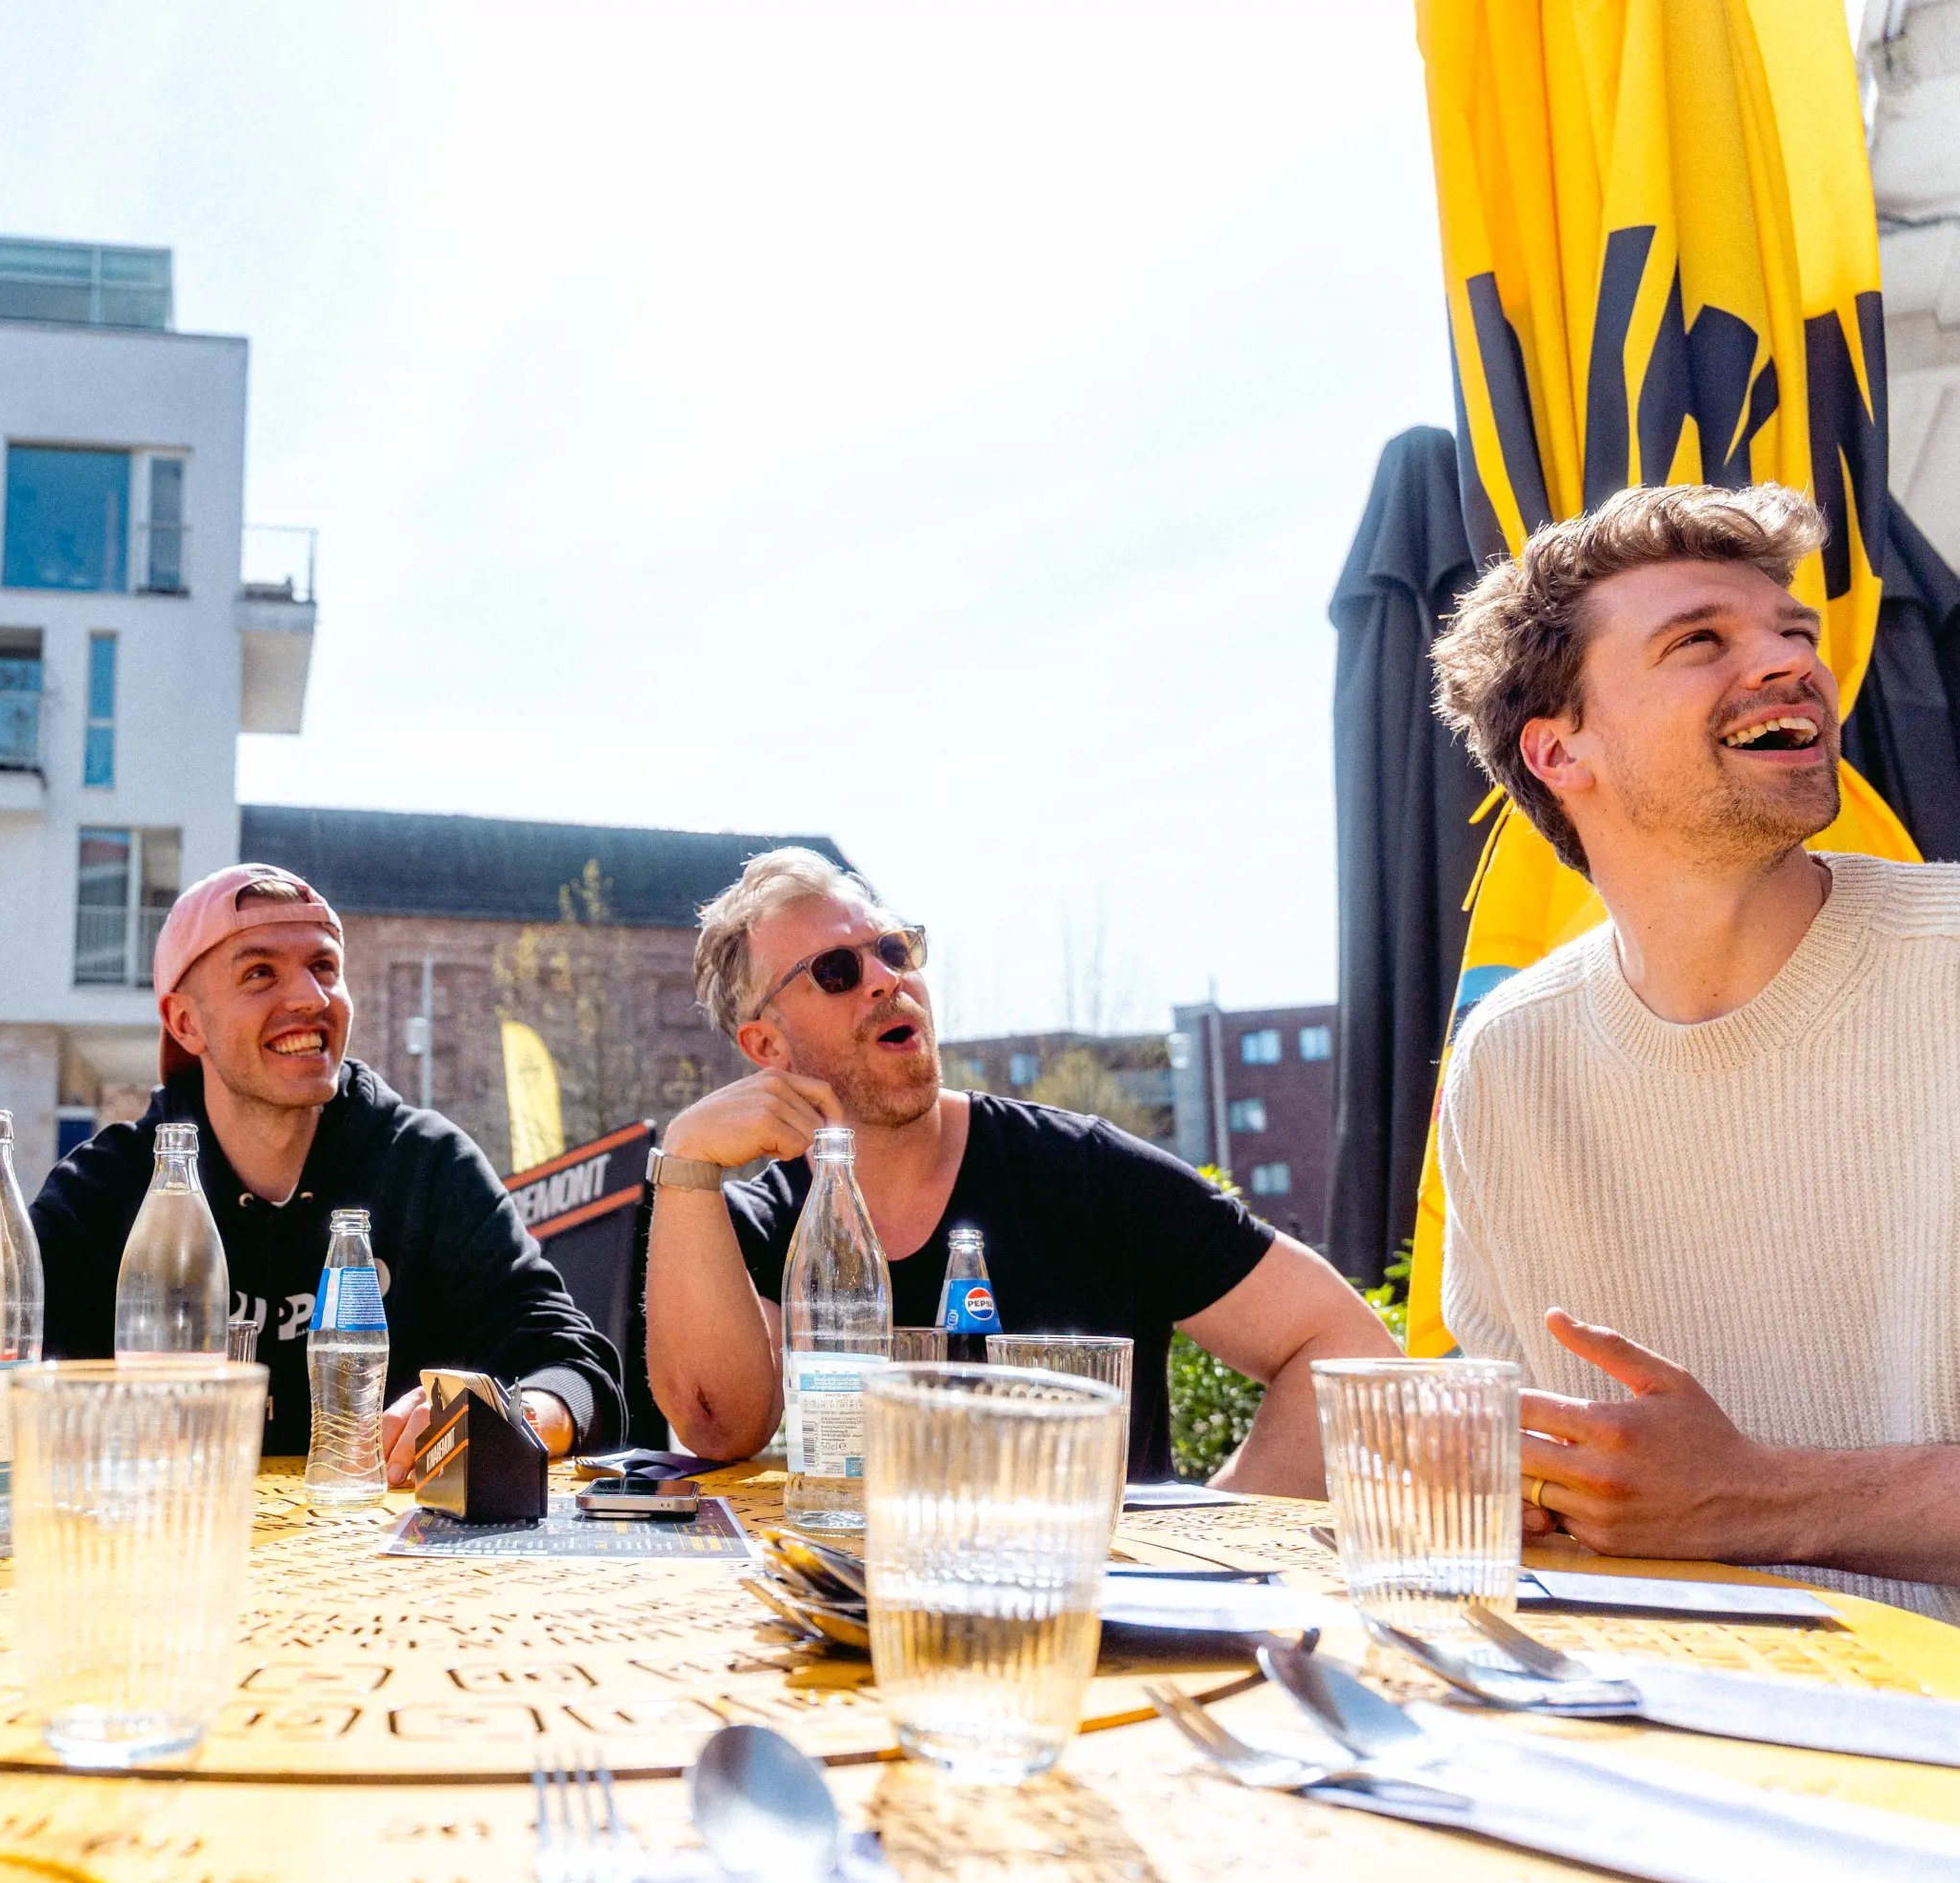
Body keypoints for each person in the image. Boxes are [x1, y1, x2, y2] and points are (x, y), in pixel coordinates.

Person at [1430, 482, 1960, 1619]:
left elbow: (1716, 1499)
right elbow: (1521, 1473)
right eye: (1701, 641)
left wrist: (1758, 1495)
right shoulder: (1506, 1065)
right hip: (1663, 1743)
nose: (1789, 662)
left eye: (1793, 632)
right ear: (1560, 749)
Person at [644, 850, 1394, 1492]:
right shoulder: (764, 1225)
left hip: (1095, 1633)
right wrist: (684, 1165)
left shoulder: (1084, 1174)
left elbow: (1346, 1350)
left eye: (895, 951)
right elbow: (718, 1427)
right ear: (765, 1047)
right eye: (837, 971)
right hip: (853, 1630)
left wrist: (1205, 1543)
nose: (884, 980)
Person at [30, 864, 623, 1478]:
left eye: (324, 968)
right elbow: (7, 1389)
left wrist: (510, 1413)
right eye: (259, 973)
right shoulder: (103, 1193)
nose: (310, 1000)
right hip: (172, 1548)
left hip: (383, 1558)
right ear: (186, 1022)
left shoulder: (427, 1167)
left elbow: (577, 1371)